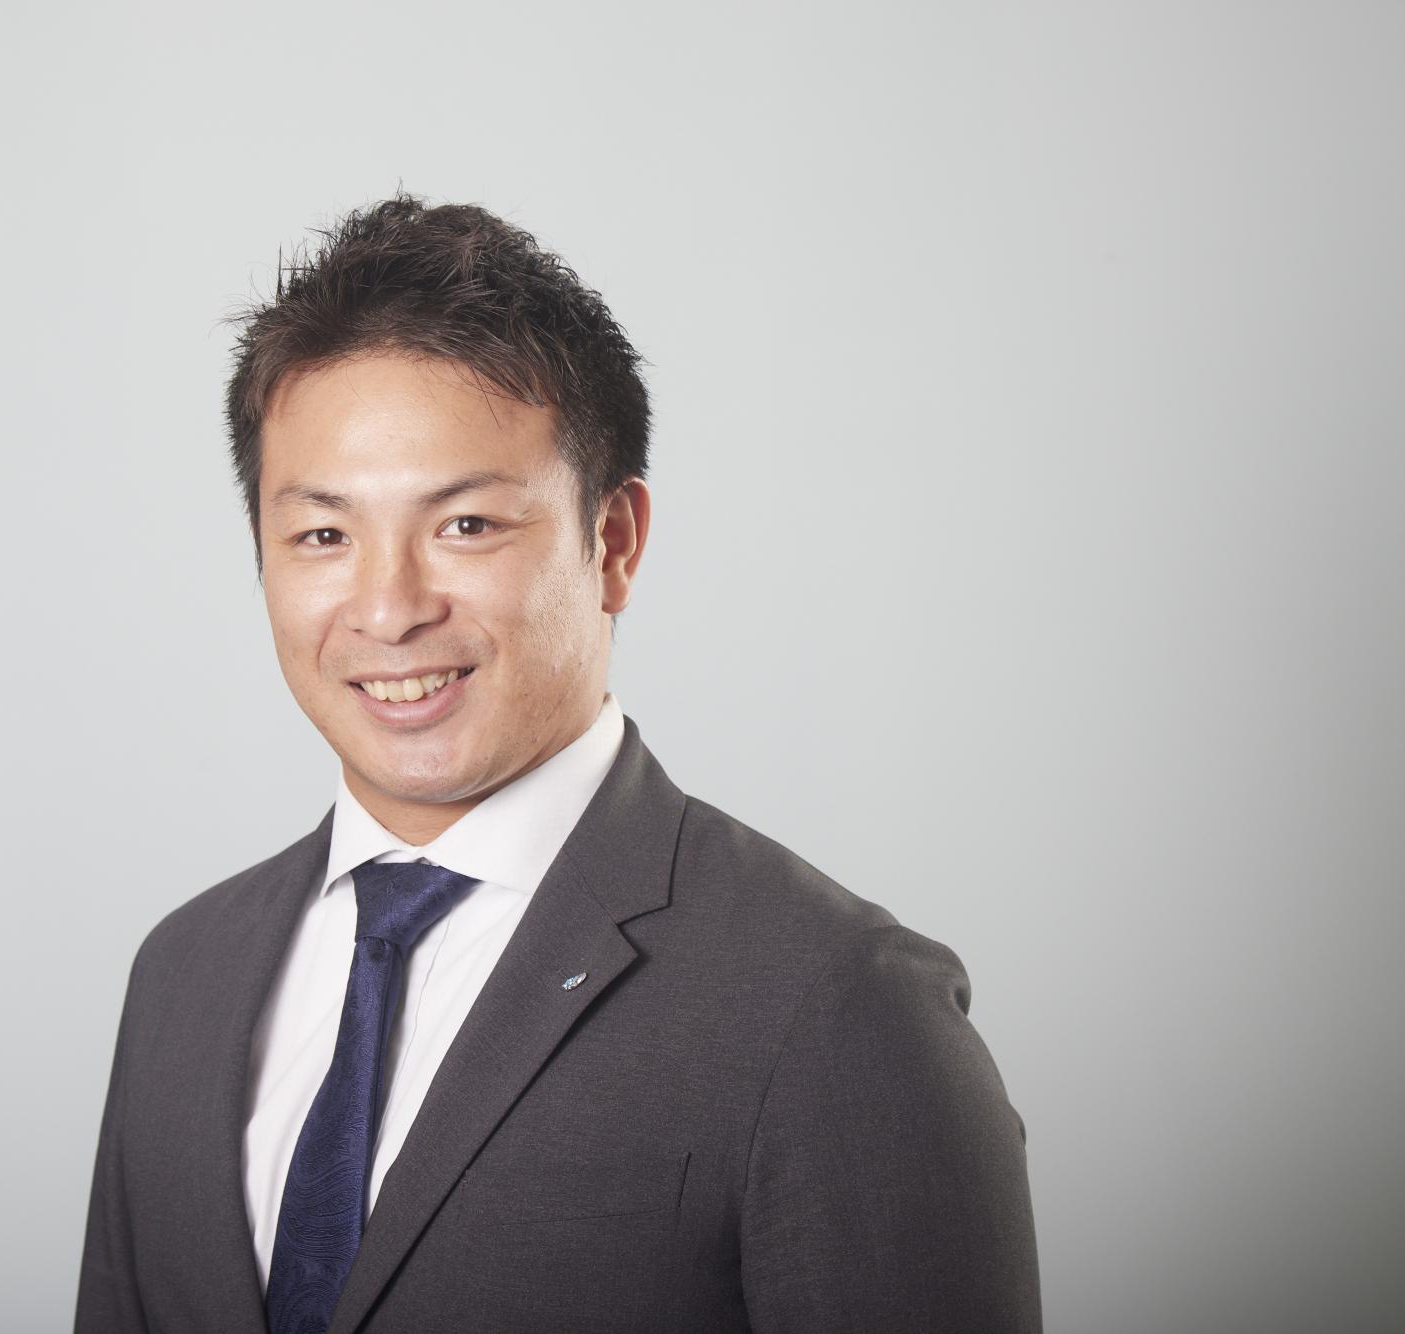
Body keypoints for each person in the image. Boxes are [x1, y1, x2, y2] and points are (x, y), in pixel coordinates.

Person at [74, 193, 1041, 1334]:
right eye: (323, 535)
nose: (387, 608)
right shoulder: (183, 973)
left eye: (466, 525)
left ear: (612, 542)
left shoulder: (837, 1006)